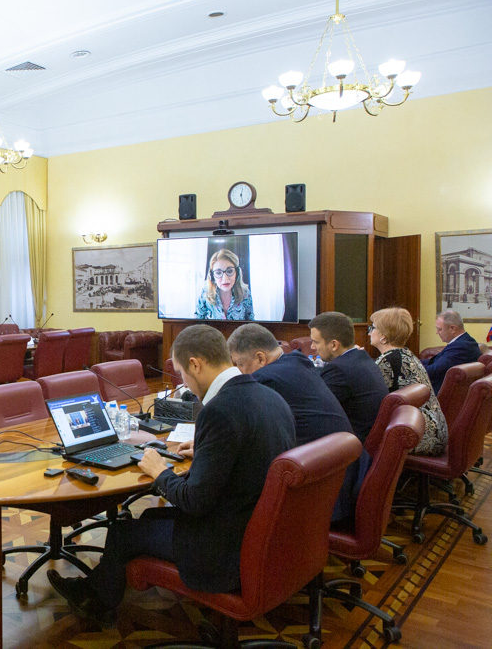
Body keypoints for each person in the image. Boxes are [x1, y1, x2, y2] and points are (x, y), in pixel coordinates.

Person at [47, 325, 295, 627]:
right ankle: (100, 592)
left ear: (196, 364)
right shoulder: (272, 397)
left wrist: (159, 470)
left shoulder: (219, 410)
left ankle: (96, 602)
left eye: (182, 373)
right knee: (149, 518)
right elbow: (245, 459)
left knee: (122, 531)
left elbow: (194, 501)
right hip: (260, 533)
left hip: (223, 550)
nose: (185, 384)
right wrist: (204, 453)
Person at [227, 323, 363, 523]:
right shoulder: (298, 361)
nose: (239, 371)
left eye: (238, 364)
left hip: (320, 492)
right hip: (342, 476)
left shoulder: (265, 379)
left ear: (260, 358)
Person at [370, 307, 448, 456]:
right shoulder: (406, 354)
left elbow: (371, 399)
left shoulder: (387, 361)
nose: (369, 332)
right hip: (435, 430)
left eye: (373, 328)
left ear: (383, 337)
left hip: (418, 435)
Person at [309, 311, 390, 443]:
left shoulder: (339, 369)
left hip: (352, 449)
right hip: (364, 441)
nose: (312, 347)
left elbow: (315, 411)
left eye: (315, 342)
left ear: (334, 345)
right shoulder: (362, 358)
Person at [420, 309, 481, 393]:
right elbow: (434, 362)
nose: (437, 333)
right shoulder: (465, 341)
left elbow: (434, 370)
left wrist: (409, 368)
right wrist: (413, 362)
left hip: (436, 394)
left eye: (440, 329)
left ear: (452, 328)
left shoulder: (461, 347)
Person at [193, 249, 254, 321]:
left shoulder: (245, 294)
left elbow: (251, 324)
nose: (225, 279)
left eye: (230, 271)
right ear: (212, 276)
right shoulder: (205, 292)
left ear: (236, 273)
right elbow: (197, 323)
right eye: (218, 273)